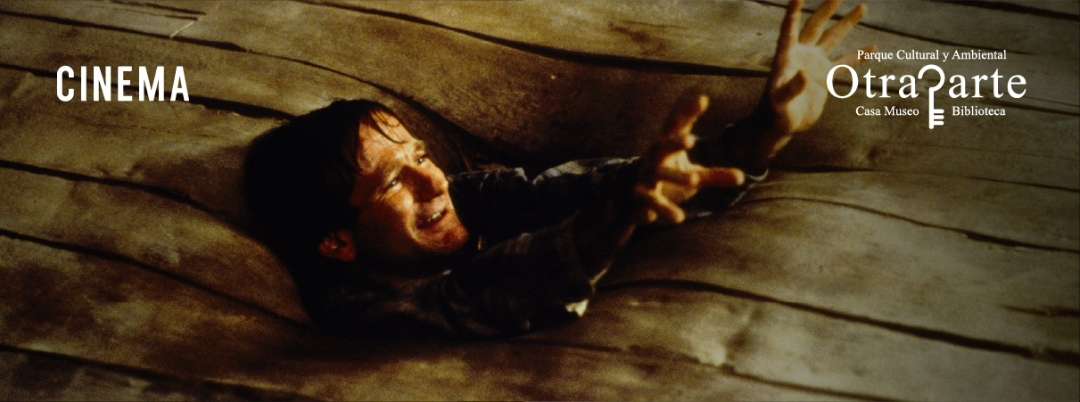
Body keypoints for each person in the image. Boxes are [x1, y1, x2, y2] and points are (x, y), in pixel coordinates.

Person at [244, 0, 868, 338]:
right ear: (337, 241)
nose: (433, 181)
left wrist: (768, 129)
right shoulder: (358, 306)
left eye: (421, 156)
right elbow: (478, 295)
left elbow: (586, 186)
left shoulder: (473, 197)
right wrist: (617, 214)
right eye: (391, 182)